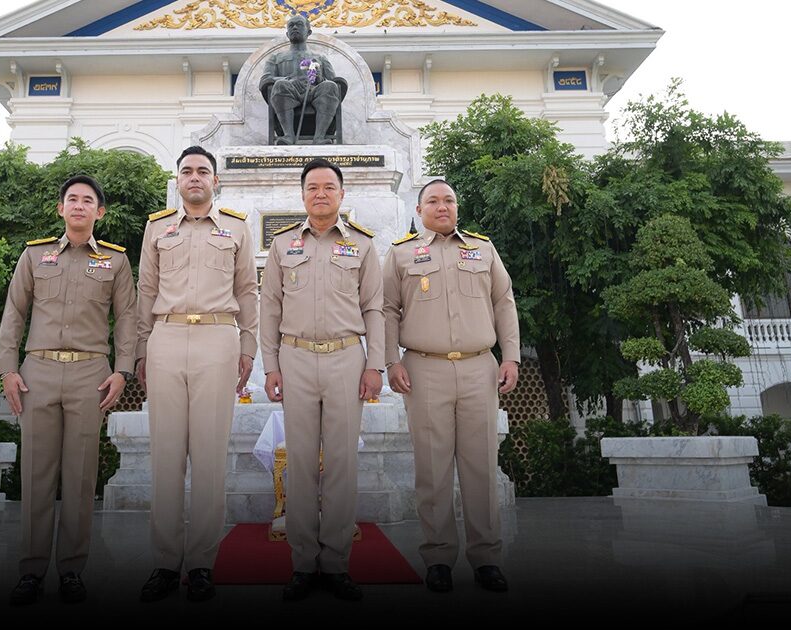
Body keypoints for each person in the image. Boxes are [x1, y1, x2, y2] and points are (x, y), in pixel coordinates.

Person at [0, 174, 137, 606]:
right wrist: (8, 370)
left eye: (88, 200)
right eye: (71, 199)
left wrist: (122, 371)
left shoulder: (115, 262)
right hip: (37, 373)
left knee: (79, 479)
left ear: (100, 212)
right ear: (61, 209)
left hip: (89, 375)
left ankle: (72, 569)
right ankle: (32, 569)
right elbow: (14, 315)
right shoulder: (35, 256)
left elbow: (128, 321)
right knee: (37, 475)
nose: (79, 206)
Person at [381, 179, 520, 594]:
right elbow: (387, 308)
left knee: (480, 467)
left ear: (457, 207)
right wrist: (391, 360)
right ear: (420, 208)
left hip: (480, 368)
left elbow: (504, 302)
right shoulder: (401, 254)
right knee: (432, 469)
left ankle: (487, 559)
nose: (442, 207)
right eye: (433, 201)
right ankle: (438, 557)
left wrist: (510, 355)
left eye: (449, 201)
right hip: (424, 369)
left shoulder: (483, 249)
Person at [135, 145, 258, 603]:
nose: (194, 177)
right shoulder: (156, 228)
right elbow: (145, 289)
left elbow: (247, 290)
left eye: (203, 171)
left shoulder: (237, 229)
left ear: (215, 180)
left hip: (217, 339)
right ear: (178, 179)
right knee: (166, 455)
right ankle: (166, 563)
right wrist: (141, 351)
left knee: (208, 456)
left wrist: (247, 348)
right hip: (165, 338)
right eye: (187, 171)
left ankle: (202, 563)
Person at [259, 158, 384, 601]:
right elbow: (269, 307)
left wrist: (376, 365)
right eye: (313, 187)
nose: (321, 194)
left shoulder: (363, 245)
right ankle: (302, 563)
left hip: (347, 359)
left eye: (329, 187)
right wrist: (270, 366)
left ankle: (334, 564)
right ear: (303, 195)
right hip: (294, 359)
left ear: (341, 194)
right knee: (299, 465)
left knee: (341, 465)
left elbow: (375, 308)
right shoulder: (282, 245)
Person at [259, 13, 345, 144]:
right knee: (280, 84)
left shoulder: (320, 58)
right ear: (287, 34)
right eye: (291, 26)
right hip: (288, 92)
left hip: (314, 92)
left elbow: (334, 81)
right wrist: (288, 80)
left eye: (299, 25)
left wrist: (319, 79)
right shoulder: (276, 58)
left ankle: (320, 137)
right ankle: (288, 136)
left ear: (308, 31)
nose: (294, 28)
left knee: (330, 87)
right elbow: (266, 80)